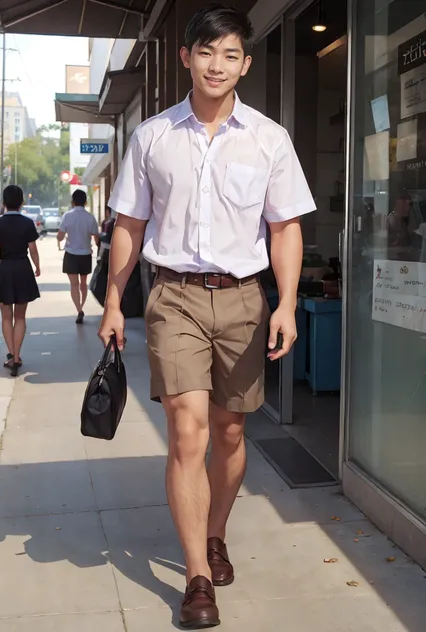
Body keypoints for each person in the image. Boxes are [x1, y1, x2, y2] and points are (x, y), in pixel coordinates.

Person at [98, 4, 316, 628]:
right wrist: (113, 302)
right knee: (188, 430)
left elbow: (285, 228)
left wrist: (288, 303)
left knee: (229, 433)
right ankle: (197, 575)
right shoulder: (153, 137)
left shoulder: (269, 138)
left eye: (230, 55)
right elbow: (129, 226)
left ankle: (215, 530)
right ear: (186, 58)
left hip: (246, 298)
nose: (216, 65)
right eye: (205, 52)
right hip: (175, 298)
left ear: (245, 64)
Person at [0, 185, 41, 378]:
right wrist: (37, 267)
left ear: (4, 202)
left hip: (4, 270)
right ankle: (17, 356)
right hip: (22, 269)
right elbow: (33, 249)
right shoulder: (27, 223)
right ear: (21, 202)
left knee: (5, 317)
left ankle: (11, 356)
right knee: (20, 317)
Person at [57, 189, 100, 324]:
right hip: (86, 254)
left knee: (74, 284)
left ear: (72, 202)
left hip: (71, 254)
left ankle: (79, 310)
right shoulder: (90, 217)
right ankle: (82, 305)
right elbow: (97, 238)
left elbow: (60, 236)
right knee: (83, 283)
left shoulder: (67, 216)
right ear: (86, 202)